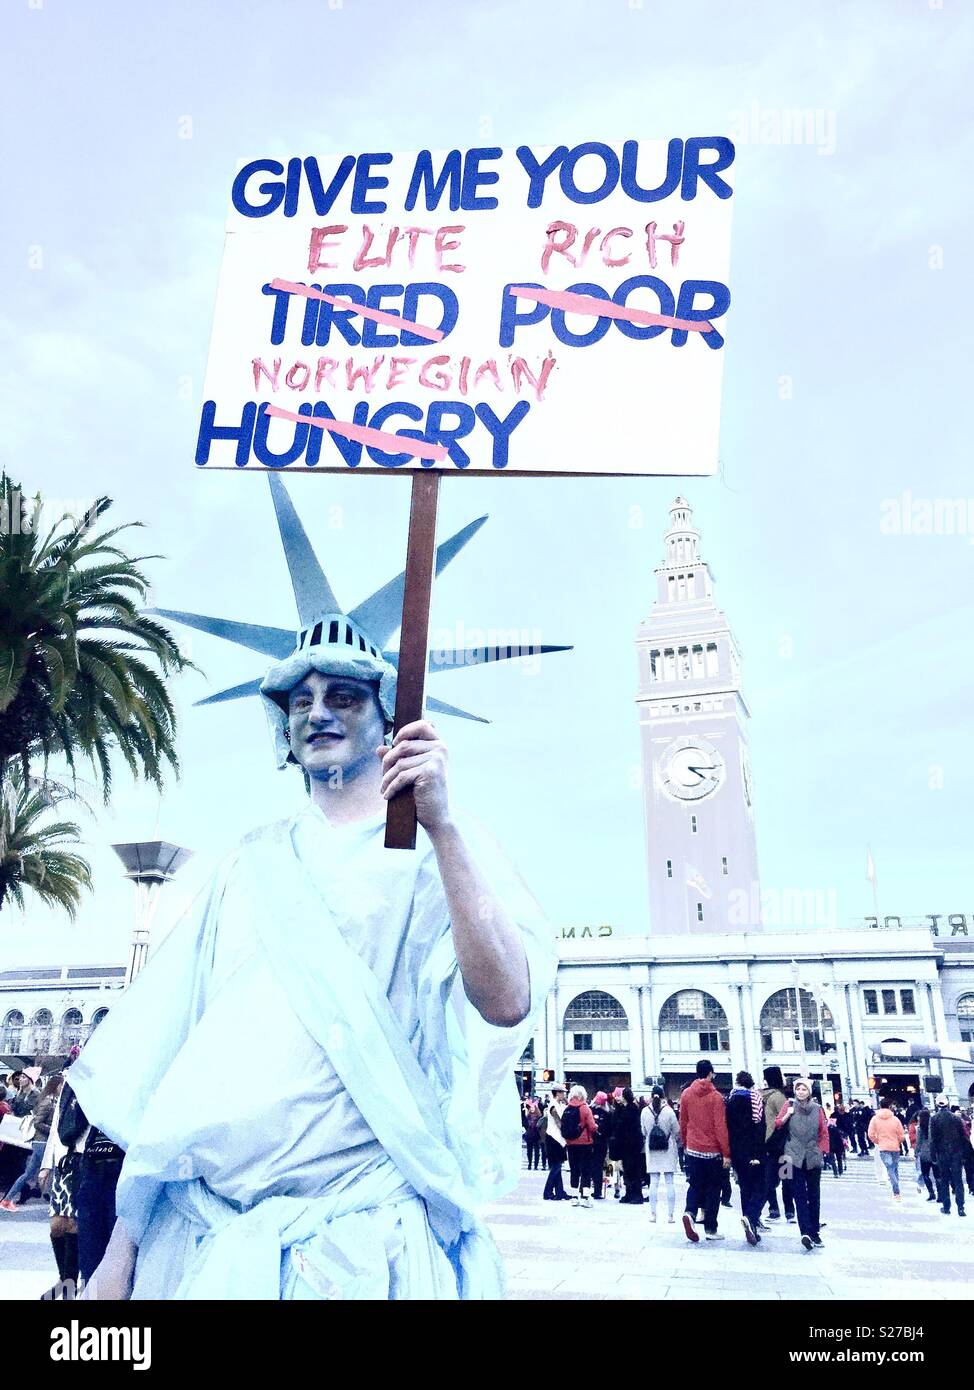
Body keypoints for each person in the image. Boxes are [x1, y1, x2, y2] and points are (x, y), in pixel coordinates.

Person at [69, 620, 555, 1301]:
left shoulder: (434, 849)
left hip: (360, 1239)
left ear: (389, 720)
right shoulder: (247, 863)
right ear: (284, 730)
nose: (319, 711)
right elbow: (177, 1063)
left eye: (344, 696)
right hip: (208, 1238)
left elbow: (506, 1000)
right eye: (301, 700)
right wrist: (122, 1255)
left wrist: (441, 824)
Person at [679, 1060, 730, 1243]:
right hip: (712, 1151)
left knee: (694, 1184)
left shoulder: (686, 1094)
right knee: (713, 1189)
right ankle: (710, 1228)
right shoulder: (716, 1097)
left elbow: (683, 1122)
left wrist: (686, 1143)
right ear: (710, 1074)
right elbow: (720, 1126)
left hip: (693, 1149)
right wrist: (726, 1153)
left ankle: (690, 1212)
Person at [775, 1078, 828, 1250]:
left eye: (804, 1089)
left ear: (809, 1092)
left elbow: (823, 1132)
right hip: (792, 1156)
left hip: (813, 1155)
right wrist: (787, 1114)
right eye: (798, 1088)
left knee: (814, 1196)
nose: (800, 1091)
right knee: (799, 1195)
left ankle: (815, 1232)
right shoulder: (789, 1104)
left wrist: (822, 1151)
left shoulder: (818, 1109)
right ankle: (805, 1231)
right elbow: (777, 1124)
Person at [1, 1072, 60, 1211]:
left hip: (34, 1138)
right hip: (41, 1140)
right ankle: (50, 1198)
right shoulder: (47, 1101)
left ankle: (8, 1199)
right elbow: (38, 1121)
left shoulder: (40, 1097)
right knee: (51, 1170)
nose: (20, 1080)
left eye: (23, 1077)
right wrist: (53, 1130)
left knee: (29, 1172)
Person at [725, 1071, 766, 1245]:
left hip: (736, 1149)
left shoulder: (730, 1099)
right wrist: (757, 1152)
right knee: (762, 1186)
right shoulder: (754, 1098)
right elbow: (758, 1124)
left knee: (745, 1187)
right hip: (752, 1148)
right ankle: (751, 1217)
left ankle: (749, 1225)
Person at [641, 1086, 680, 1223]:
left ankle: (653, 1214)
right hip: (668, 1149)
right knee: (670, 1182)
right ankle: (670, 1215)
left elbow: (644, 1131)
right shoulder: (669, 1111)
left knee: (653, 1183)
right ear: (663, 1096)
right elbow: (676, 1130)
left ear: (651, 1096)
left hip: (652, 1150)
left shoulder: (645, 1111)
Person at [760, 1066, 793, 1222]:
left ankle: (774, 1209)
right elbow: (787, 1119)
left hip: (769, 1143)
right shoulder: (779, 1096)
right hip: (783, 1144)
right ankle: (789, 1211)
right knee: (786, 1178)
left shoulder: (767, 1096)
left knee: (769, 1179)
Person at [929, 1098, 967, 1217]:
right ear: (948, 1105)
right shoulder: (956, 1118)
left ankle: (946, 1206)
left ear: (937, 1105)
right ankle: (960, 1207)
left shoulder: (934, 1119)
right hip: (956, 1153)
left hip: (942, 1154)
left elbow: (933, 1139)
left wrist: (933, 1155)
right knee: (958, 1180)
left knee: (944, 1180)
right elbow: (963, 1136)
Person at [563, 1084, 597, 1207]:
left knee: (574, 1170)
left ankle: (574, 1197)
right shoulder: (585, 1108)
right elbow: (592, 1127)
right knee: (586, 1171)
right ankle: (586, 1197)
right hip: (585, 1143)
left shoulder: (567, 1108)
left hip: (571, 1143)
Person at [868, 1097, 906, 1200]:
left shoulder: (875, 1119)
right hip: (895, 1147)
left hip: (883, 1147)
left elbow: (870, 1134)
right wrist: (898, 1141)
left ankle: (896, 1191)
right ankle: (896, 1189)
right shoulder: (895, 1119)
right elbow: (902, 1135)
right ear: (890, 1107)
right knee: (894, 1168)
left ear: (880, 1106)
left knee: (890, 1169)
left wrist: (878, 1141)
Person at [614, 1088, 644, 1204]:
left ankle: (637, 1195)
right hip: (627, 1145)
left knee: (633, 1170)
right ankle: (629, 1193)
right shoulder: (627, 1109)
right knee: (627, 1170)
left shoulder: (631, 1110)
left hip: (631, 1145)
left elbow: (620, 1125)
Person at [542, 1086, 569, 1202]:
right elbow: (558, 1122)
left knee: (557, 1166)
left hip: (558, 1139)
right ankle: (547, 1192)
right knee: (556, 1166)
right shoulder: (553, 1105)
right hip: (554, 1138)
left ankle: (559, 1192)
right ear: (557, 1093)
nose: (565, 1095)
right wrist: (568, 1133)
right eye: (563, 1093)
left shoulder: (559, 1104)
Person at [589, 1092, 611, 1199]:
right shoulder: (607, 1113)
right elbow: (609, 1131)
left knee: (590, 1166)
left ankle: (586, 1189)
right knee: (599, 1166)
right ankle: (598, 1190)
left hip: (590, 1142)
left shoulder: (589, 1110)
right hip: (602, 1143)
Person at [914, 1108, 937, 1201]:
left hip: (924, 1154)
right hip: (934, 1153)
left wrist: (916, 1152)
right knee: (937, 1175)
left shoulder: (920, 1128)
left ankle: (931, 1192)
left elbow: (918, 1142)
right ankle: (940, 1194)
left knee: (925, 1174)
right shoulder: (934, 1127)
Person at [523, 1100, 543, 1171]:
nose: (532, 1109)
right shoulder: (527, 1116)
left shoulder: (539, 1116)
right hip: (529, 1135)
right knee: (529, 1151)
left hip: (536, 1135)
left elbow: (540, 1126)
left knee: (537, 1151)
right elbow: (525, 1123)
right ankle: (529, 1164)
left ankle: (536, 1165)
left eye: (533, 1107)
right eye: (531, 1108)